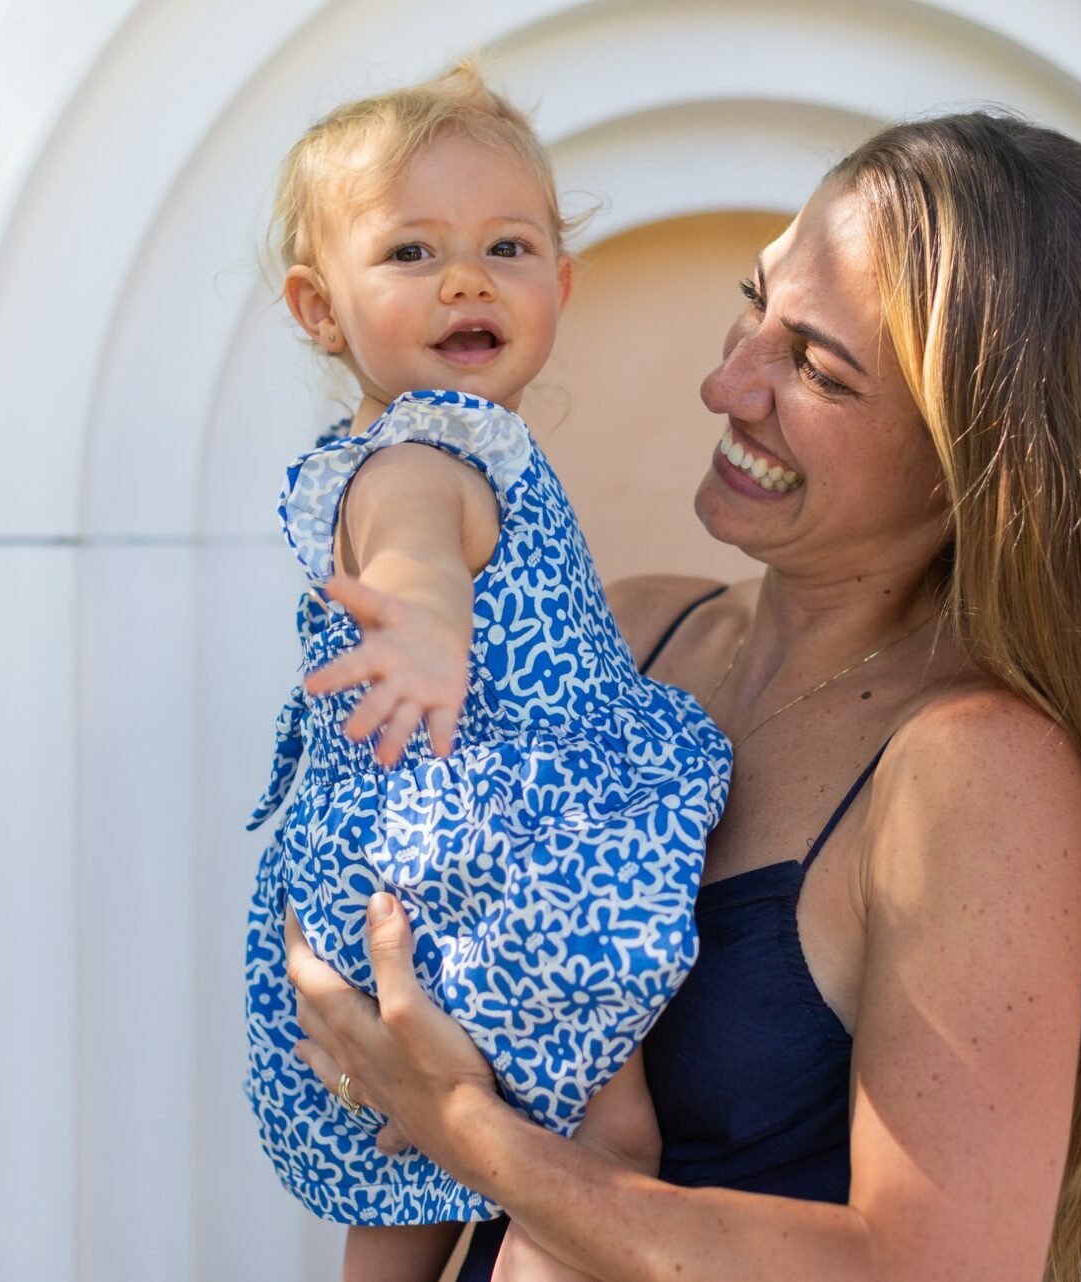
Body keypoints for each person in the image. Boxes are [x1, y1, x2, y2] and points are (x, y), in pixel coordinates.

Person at [282, 108, 1081, 1282]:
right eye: (755, 303)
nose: (726, 382)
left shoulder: (977, 772)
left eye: (818, 369)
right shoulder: (632, 634)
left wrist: (463, 1128)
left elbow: (932, 1269)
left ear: (980, 460)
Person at [242, 62, 733, 1282]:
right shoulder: (424, 454)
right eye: (411, 252)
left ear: (558, 285)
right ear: (319, 307)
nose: (465, 278)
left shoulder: (420, 446)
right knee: (605, 1141)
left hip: (412, 873)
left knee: (407, 1194)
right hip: (496, 866)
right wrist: (423, 627)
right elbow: (414, 552)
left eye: (506, 247)